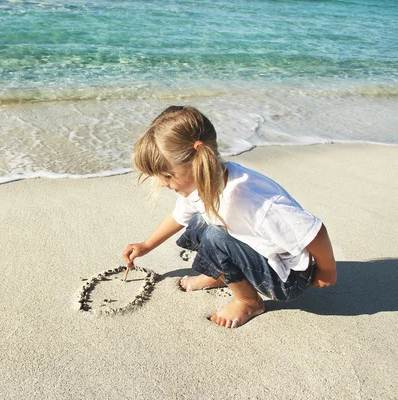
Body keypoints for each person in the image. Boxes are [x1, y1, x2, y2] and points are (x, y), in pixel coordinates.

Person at [123, 106, 336, 329]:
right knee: (198, 224)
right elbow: (179, 217)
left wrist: (326, 270)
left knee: (215, 237)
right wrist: (146, 245)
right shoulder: (201, 184)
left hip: (287, 279)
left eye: (167, 175)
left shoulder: (249, 199)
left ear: (197, 164)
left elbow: (314, 231)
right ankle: (222, 274)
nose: (163, 183)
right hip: (258, 252)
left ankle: (248, 301)